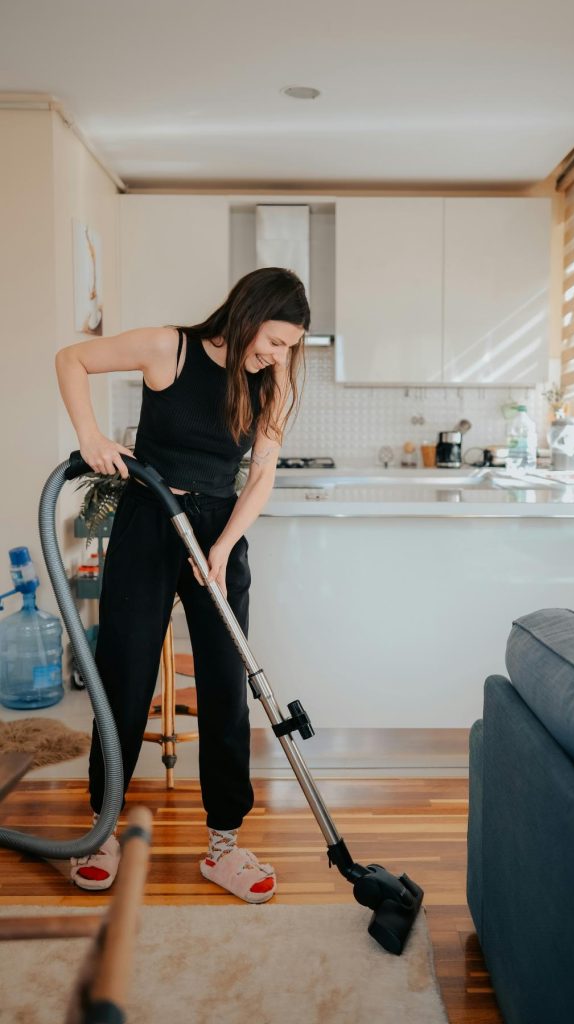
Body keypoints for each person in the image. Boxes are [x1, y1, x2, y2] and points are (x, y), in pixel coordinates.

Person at [55, 267, 309, 901]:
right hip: (150, 517)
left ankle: (224, 842)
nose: (279, 357)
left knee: (227, 683)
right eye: (275, 341)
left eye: (289, 348)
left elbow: (261, 478)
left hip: (219, 531)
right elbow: (72, 358)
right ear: (248, 313)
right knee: (125, 675)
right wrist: (90, 436)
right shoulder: (169, 348)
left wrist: (222, 548)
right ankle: (103, 828)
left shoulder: (271, 384)